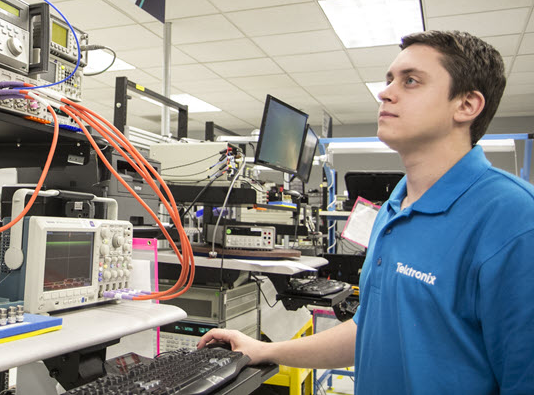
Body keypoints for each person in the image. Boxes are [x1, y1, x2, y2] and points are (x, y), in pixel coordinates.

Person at [198, 30, 534, 394]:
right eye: (390, 79)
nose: (385, 92)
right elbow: (368, 330)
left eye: (411, 81)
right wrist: (265, 349)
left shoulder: (514, 218)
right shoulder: (392, 211)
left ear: (466, 105)